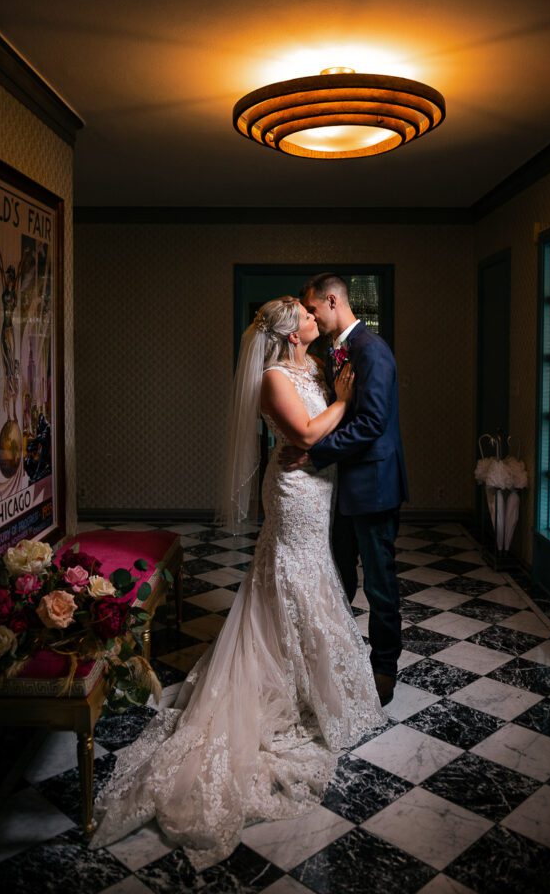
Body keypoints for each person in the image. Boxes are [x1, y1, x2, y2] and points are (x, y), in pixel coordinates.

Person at [90, 296, 385, 868]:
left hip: (318, 489)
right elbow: (305, 435)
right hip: (294, 491)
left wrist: (338, 402)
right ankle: (288, 675)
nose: (314, 317)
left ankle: (310, 674)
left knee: (311, 571)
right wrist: (343, 403)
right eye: (306, 315)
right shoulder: (274, 378)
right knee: (293, 572)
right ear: (291, 333)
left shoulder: (312, 366)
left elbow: (321, 433)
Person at [288, 273, 408, 707]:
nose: (311, 318)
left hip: (373, 486)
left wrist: (316, 453)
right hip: (342, 487)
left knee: (379, 583)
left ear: (333, 302)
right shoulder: (335, 351)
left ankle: (384, 668)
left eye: (313, 309)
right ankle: (338, 657)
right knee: (338, 576)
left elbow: (372, 422)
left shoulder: (372, 351)